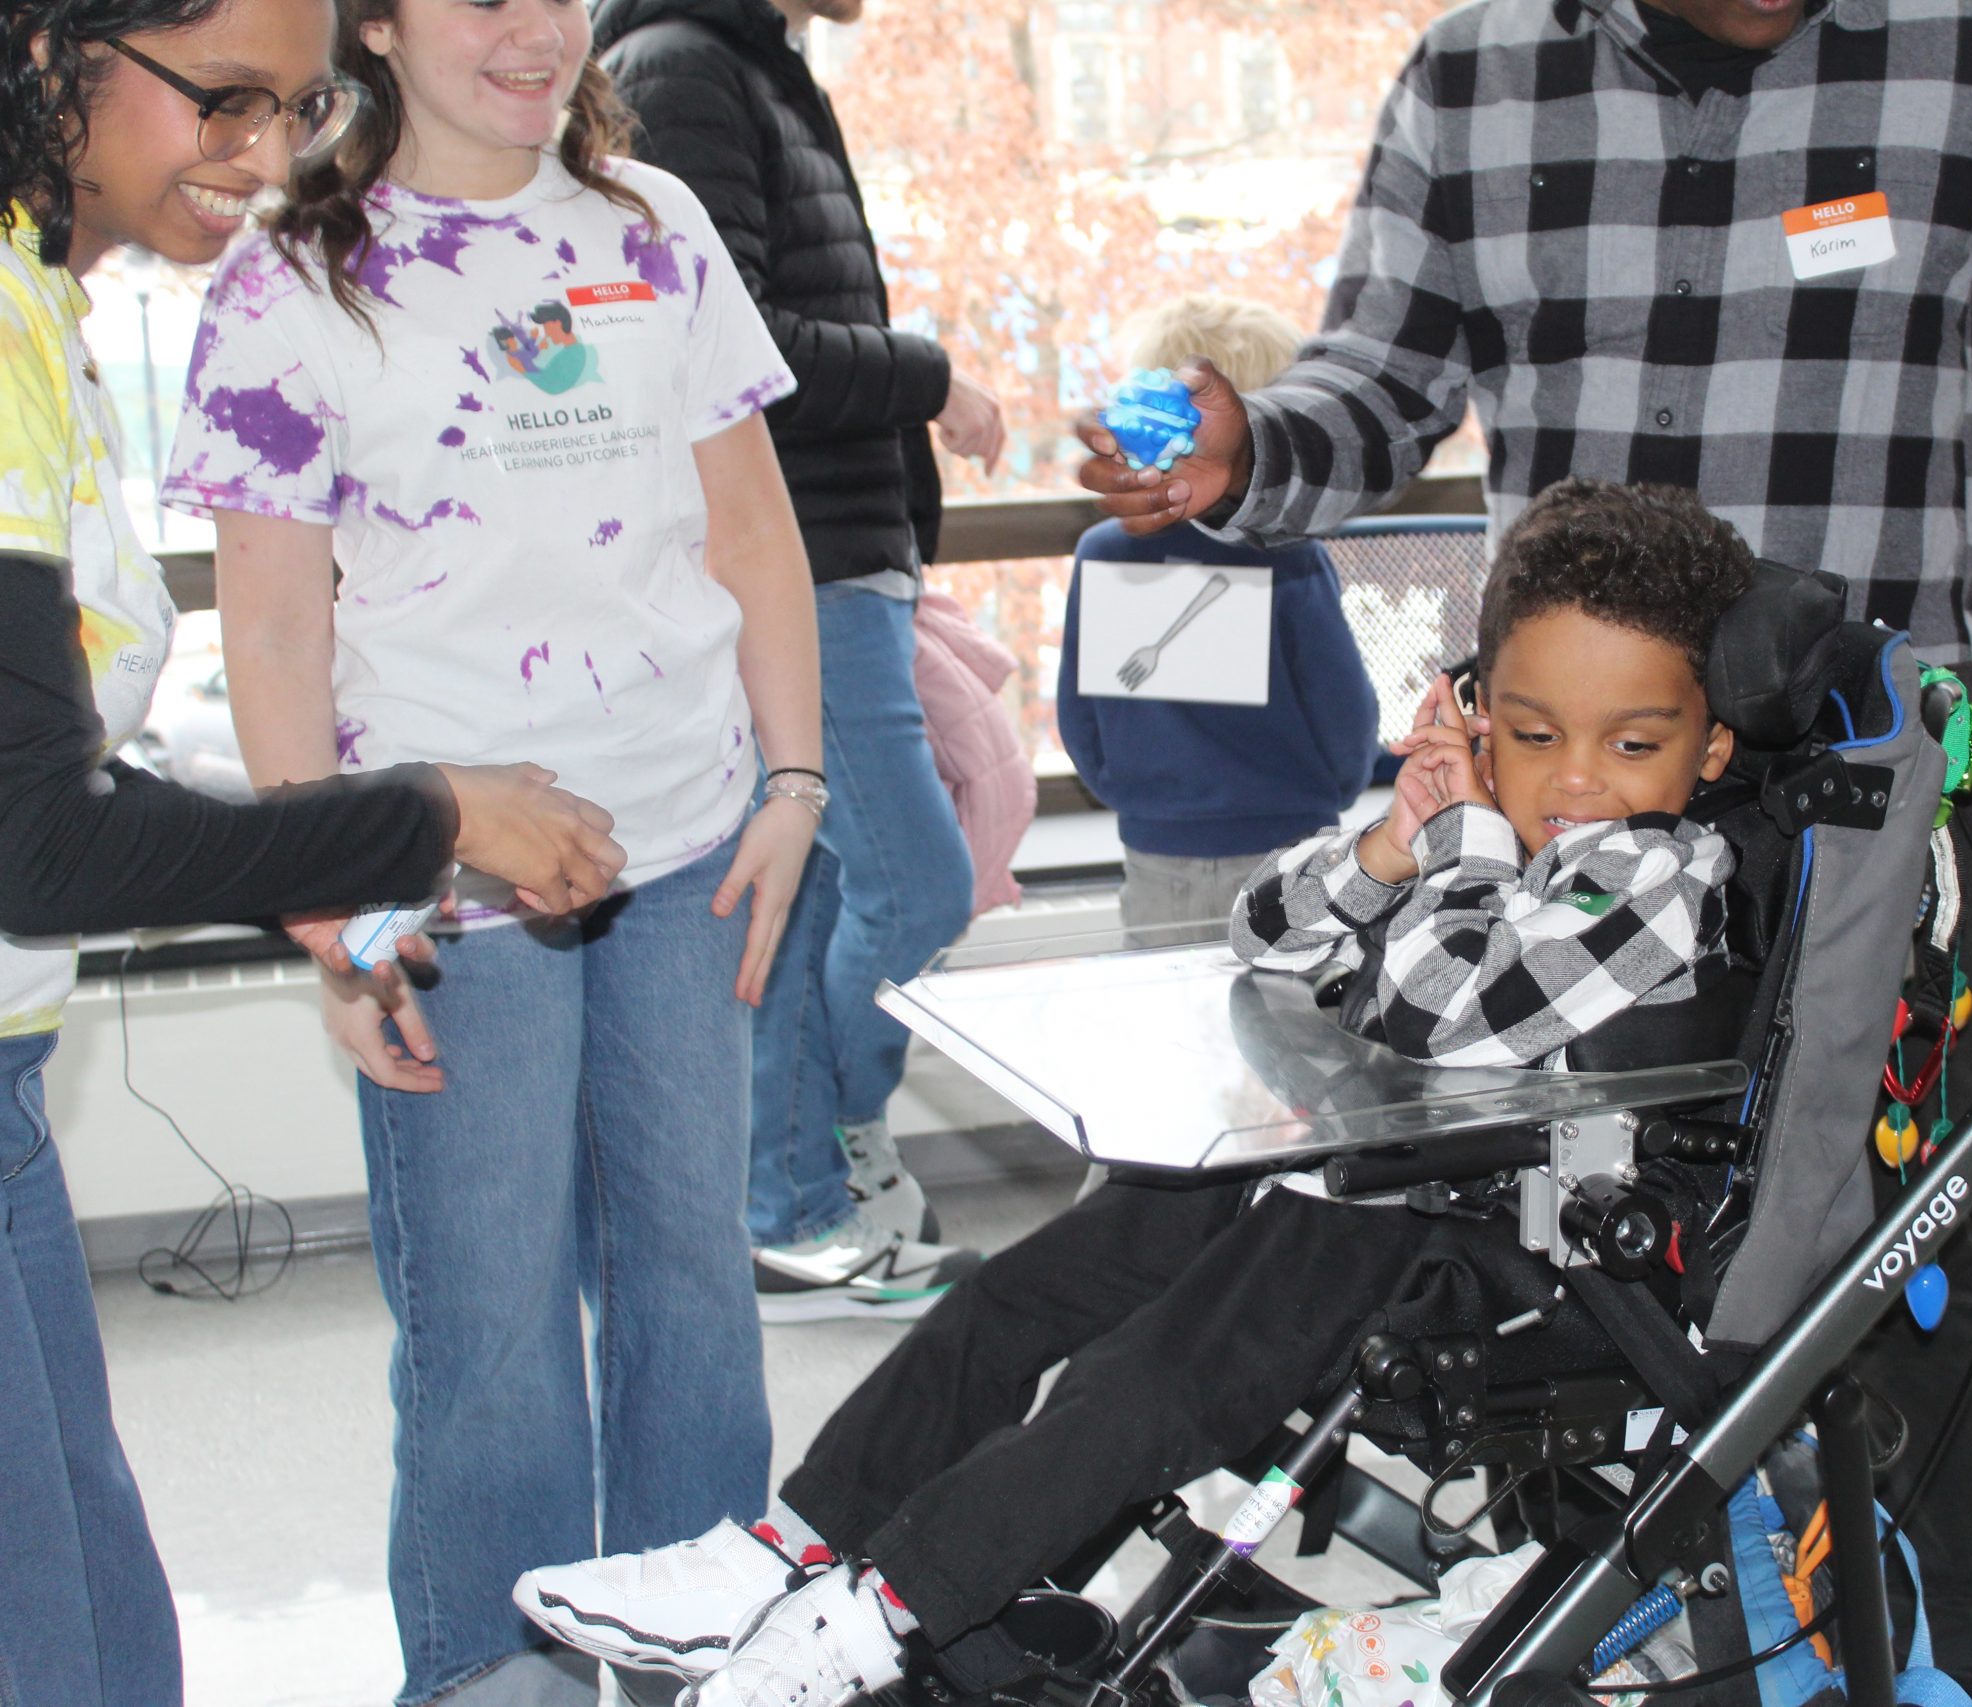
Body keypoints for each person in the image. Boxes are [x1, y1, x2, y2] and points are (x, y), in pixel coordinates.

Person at [1072, 4, 1972, 1690]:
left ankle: (1959, 1654)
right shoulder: (1481, 75)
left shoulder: (1970, 49)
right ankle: (1608, 1616)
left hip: (1852, 808)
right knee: (1565, 1242)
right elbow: (1380, 379)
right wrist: (1252, 449)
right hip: (1572, 788)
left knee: (1889, 1236)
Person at [511, 479, 1752, 1707]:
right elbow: (1265, 934)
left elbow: (1443, 1015)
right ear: (1481, 713)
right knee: (1024, 1293)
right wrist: (1396, 838)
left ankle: (882, 1613)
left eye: (1630, 745)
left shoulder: (1651, 878)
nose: (1577, 779)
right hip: (1360, 1185)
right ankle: (790, 1548)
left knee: (1136, 1383)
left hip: (1502, 1248)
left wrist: (1471, 831)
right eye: (1534, 736)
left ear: (1711, 747)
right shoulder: (1475, 826)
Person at [158, 0, 824, 1695]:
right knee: (492, 1345)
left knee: (695, 1304)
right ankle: (492, 1678)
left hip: (686, 856)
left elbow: (753, 527)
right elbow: (275, 638)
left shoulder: (653, 225)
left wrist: (798, 785)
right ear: (374, 23)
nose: (529, 28)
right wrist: (340, 920)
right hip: (445, 891)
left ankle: (702, 1665)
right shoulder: (288, 279)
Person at [0, 1, 625, 1700]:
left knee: (110, 1632)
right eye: (223, 101)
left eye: (296, 108)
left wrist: (318, 872)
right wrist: (429, 814)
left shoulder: (43, 294)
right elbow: (31, 835)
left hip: (10, 1069)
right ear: (51, 48)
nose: (267, 158)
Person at [592, 0, 1006, 1320]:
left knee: (819, 902)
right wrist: (930, 374)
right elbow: (736, 345)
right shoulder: (683, 68)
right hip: (801, 564)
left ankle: (793, 1207)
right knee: (916, 884)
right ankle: (816, 1172)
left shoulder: (744, 65)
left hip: (839, 554)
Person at [1059, 294, 1382, 930]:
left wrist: (1129, 793)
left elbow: (1081, 714)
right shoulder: (1287, 557)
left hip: (1154, 846)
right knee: (1282, 1019)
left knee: (1164, 1012)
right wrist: (1338, 790)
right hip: (1291, 852)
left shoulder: (1104, 552)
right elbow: (1340, 706)